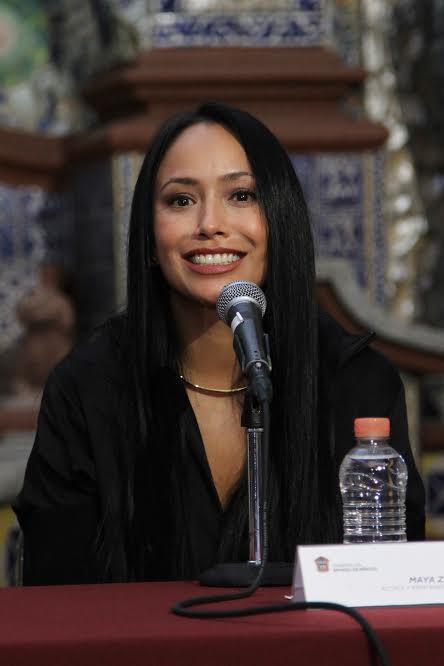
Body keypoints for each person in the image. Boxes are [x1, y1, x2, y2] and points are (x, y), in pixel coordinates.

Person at [14, 102, 425, 585]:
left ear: (280, 220)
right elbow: (54, 593)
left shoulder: (356, 382)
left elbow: (392, 588)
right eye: (181, 201)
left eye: (241, 195)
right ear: (149, 237)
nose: (210, 223)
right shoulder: (88, 389)